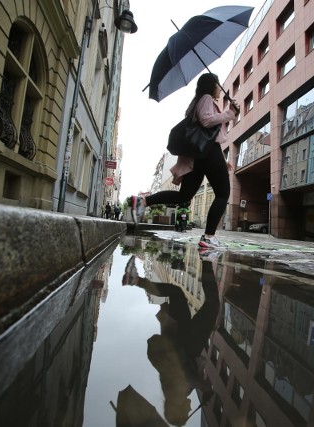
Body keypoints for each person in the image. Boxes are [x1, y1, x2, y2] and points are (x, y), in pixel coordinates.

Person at [131, 73, 239, 248]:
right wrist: (229, 114)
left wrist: (221, 160)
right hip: (208, 152)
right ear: (212, 85)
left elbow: (208, 133)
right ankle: (209, 236)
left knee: (184, 195)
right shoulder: (206, 98)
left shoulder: (197, 101)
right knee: (222, 193)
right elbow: (206, 122)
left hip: (201, 155)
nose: (220, 88)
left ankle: (143, 202)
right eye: (218, 84)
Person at [122, 254, 220, 425]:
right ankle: (135, 281)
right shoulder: (175, 391)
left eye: (186, 412)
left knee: (213, 304)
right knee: (176, 293)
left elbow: (185, 372)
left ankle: (206, 260)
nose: (190, 409)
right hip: (179, 334)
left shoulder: (174, 391)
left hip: (185, 341)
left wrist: (203, 386)